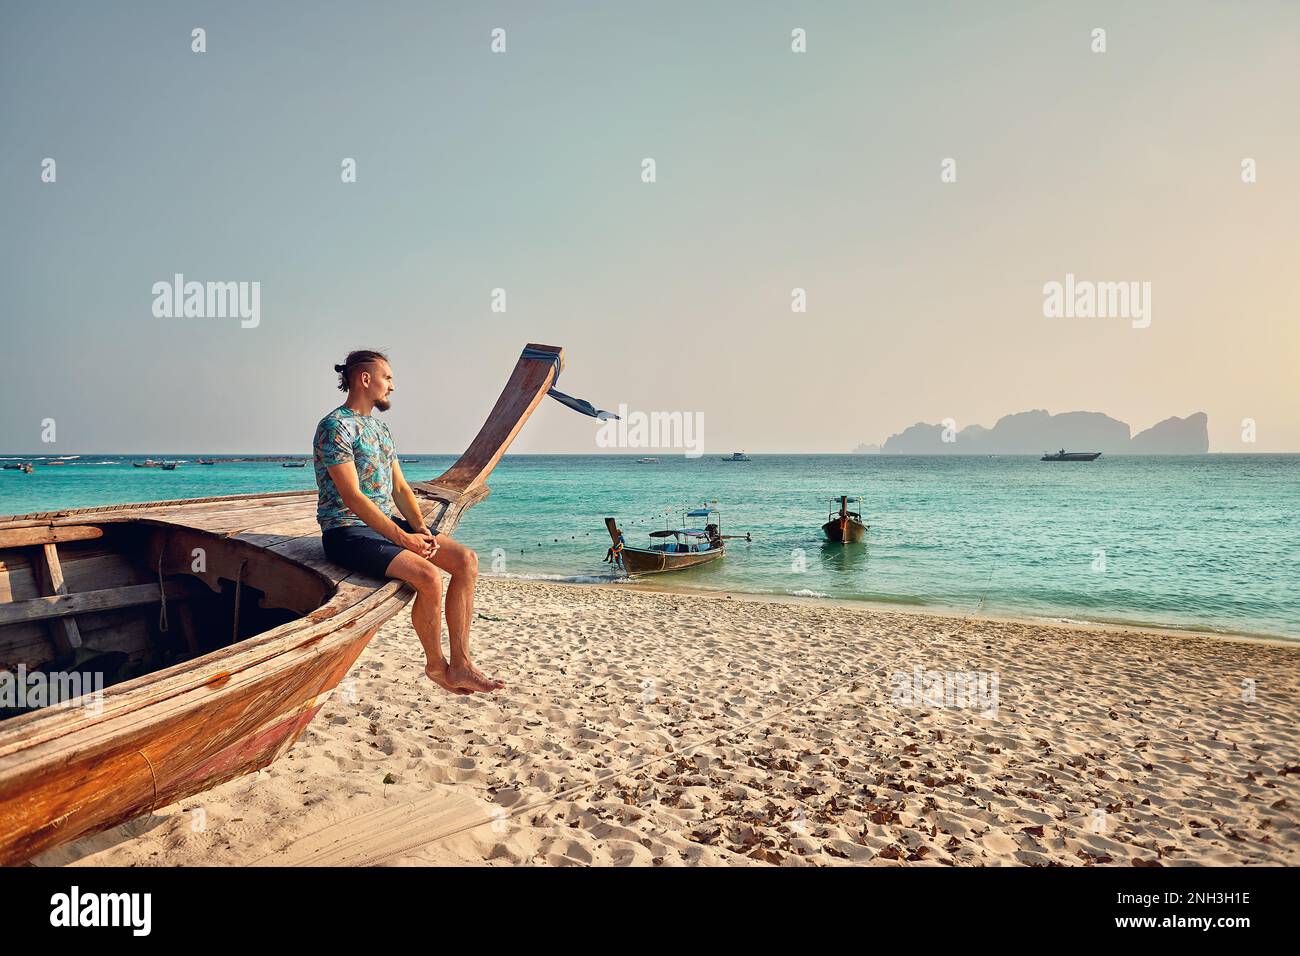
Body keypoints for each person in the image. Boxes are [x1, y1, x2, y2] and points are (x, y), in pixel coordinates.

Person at [313, 350, 504, 695]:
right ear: (365, 378)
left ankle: (461, 663)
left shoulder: (380, 429)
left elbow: (400, 487)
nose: (393, 385)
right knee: (428, 577)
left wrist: (419, 529)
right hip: (345, 531)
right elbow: (354, 498)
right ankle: (435, 665)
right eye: (387, 377)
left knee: (466, 560)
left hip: (383, 523)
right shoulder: (334, 427)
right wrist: (402, 539)